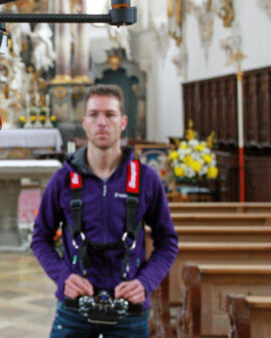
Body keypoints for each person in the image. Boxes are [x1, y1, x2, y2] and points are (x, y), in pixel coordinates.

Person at [31, 84, 178, 337]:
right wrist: (63, 277)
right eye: (94, 114)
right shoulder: (62, 179)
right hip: (74, 308)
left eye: (109, 115)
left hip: (129, 309)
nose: (101, 122)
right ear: (84, 122)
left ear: (123, 122)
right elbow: (40, 239)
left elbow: (167, 242)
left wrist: (145, 283)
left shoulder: (146, 179)